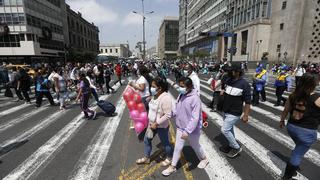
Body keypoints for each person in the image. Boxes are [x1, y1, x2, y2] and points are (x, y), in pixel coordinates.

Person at [162, 77, 208, 176]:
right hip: (180, 127)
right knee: (178, 147)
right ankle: (173, 166)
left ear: (189, 86)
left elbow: (195, 118)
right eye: (179, 85)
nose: (179, 88)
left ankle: (204, 159)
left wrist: (187, 131)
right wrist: (171, 114)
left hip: (191, 129)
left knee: (195, 145)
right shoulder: (181, 95)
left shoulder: (195, 99)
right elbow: (177, 108)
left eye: (182, 86)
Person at [280, 73, 320, 180]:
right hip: (307, 131)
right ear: (314, 84)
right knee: (297, 154)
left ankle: (293, 166)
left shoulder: (293, 95)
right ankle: (287, 176)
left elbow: (285, 110)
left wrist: (281, 120)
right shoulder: (317, 98)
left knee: (298, 147)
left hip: (291, 127)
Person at [136, 78, 173, 167]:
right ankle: (147, 158)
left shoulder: (166, 98)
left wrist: (156, 123)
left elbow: (168, 115)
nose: (151, 88)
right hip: (151, 124)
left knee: (165, 143)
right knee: (146, 140)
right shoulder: (154, 95)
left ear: (159, 88)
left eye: (153, 86)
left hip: (160, 126)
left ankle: (169, 157)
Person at [219, 63, 251, 158]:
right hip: (226, 110)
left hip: (235, 112)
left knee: (224, 130)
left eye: (231, 71)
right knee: (230, 129)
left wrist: (246, 115)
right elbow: (224, 88)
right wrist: (222, 91)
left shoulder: (244, 84)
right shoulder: (229, 80)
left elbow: (248, 101)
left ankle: (236, 147)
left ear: (238, 72)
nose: (229, 72)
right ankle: (231, 145)